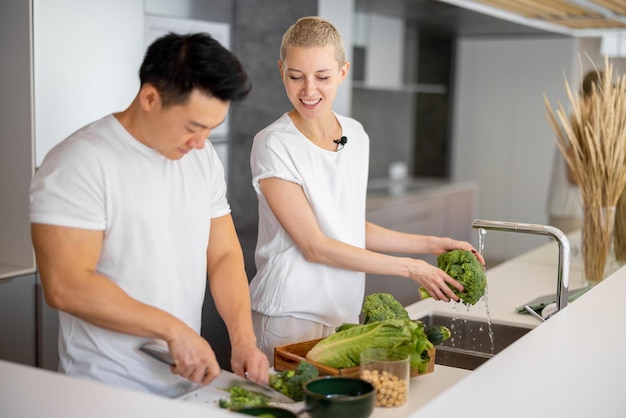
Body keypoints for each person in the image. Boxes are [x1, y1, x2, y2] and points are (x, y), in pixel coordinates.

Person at [30, 32, 269, 397]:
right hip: (107, 387)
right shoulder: (79, 162)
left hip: (187, 383)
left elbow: (222, 255)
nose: (201, 142)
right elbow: (67, 285)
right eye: (193, 126)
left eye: (210, 128)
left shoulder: (200, 159)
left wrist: (243, 340)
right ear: (150, 98)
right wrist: (173, 330)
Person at [249, 16, 485, 362]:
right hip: (289, 314)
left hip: (343, 312)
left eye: (323, 77)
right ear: (281, 71)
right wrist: (410, 268)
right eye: (296, 76)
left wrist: (431, 245)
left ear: (343, 73)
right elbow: (315, 246)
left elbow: (350, 229)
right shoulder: (273, 144)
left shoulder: (356, 135)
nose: (308, 90)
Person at [547, 69, 604, 234]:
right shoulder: (578, 123)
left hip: (570, 210)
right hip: (568, 211)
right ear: (595, 95)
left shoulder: (580, 122)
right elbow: (574, 175)